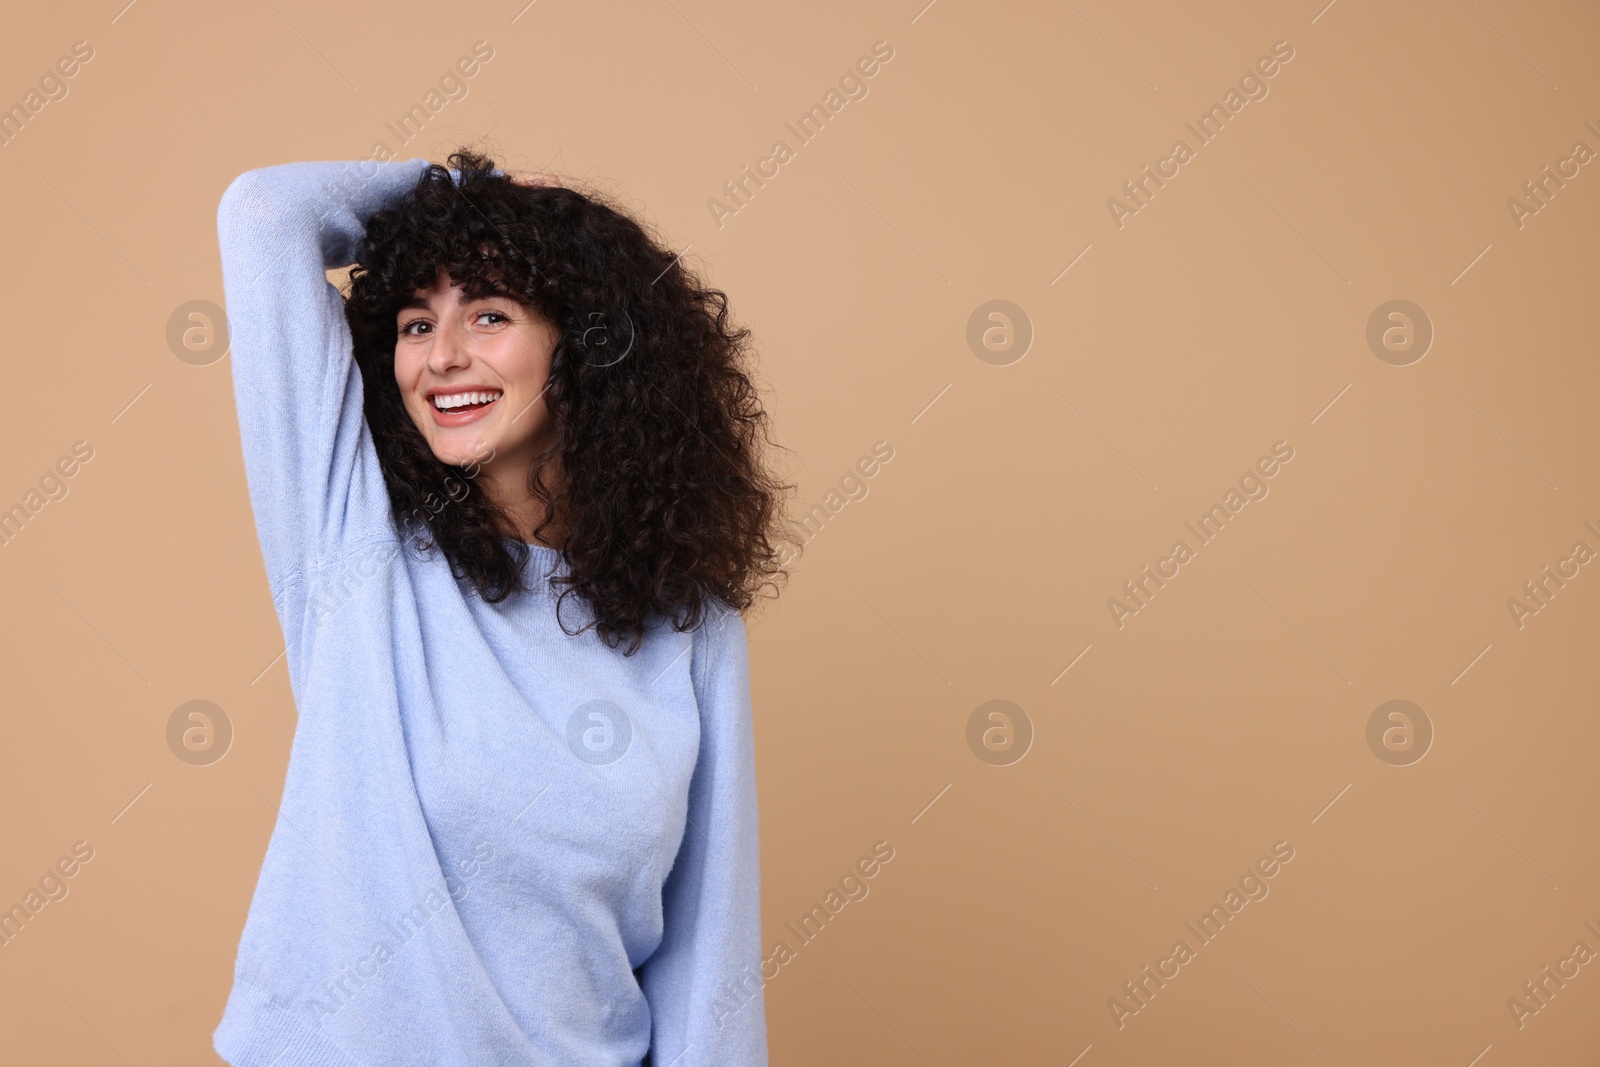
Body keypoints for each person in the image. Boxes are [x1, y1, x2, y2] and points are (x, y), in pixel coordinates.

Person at [210, 149, 793, 1067]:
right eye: (414, 321)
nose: (442, 357)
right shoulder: (353, 545)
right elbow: (262, 216)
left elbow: (707, 958)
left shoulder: (691, 622)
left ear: (587, 341)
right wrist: (445, 187)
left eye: (489, 313)